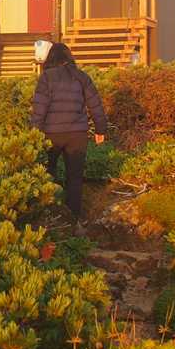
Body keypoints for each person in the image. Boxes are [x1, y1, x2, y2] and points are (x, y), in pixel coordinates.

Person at [29, 42, 110, 218]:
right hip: (77, 135)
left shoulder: (46, 77)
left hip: (51, 135)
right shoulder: (82, 77)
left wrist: (34, 134)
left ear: (51, 58)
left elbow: (39, 109)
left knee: (47, 174)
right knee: (75, 178)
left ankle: (49, 215)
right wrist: (100, 130)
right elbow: (95, 105)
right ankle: (74, 219)